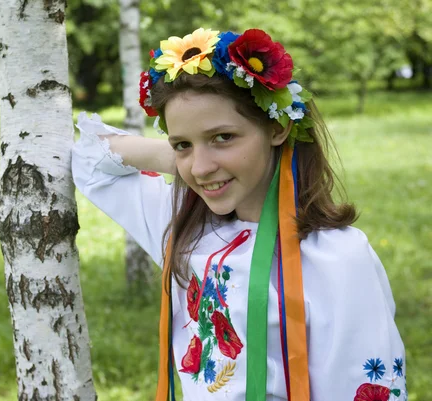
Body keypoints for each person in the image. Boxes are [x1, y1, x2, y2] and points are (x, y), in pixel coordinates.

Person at [71, 27, 406, 401]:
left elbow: (365, 388)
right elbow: (89, 160)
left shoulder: (336, 257)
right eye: (182, 143)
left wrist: (195, 155)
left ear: (277, 128)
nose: (201, 167)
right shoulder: (182, 226)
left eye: (223, 137)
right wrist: (188, 162)